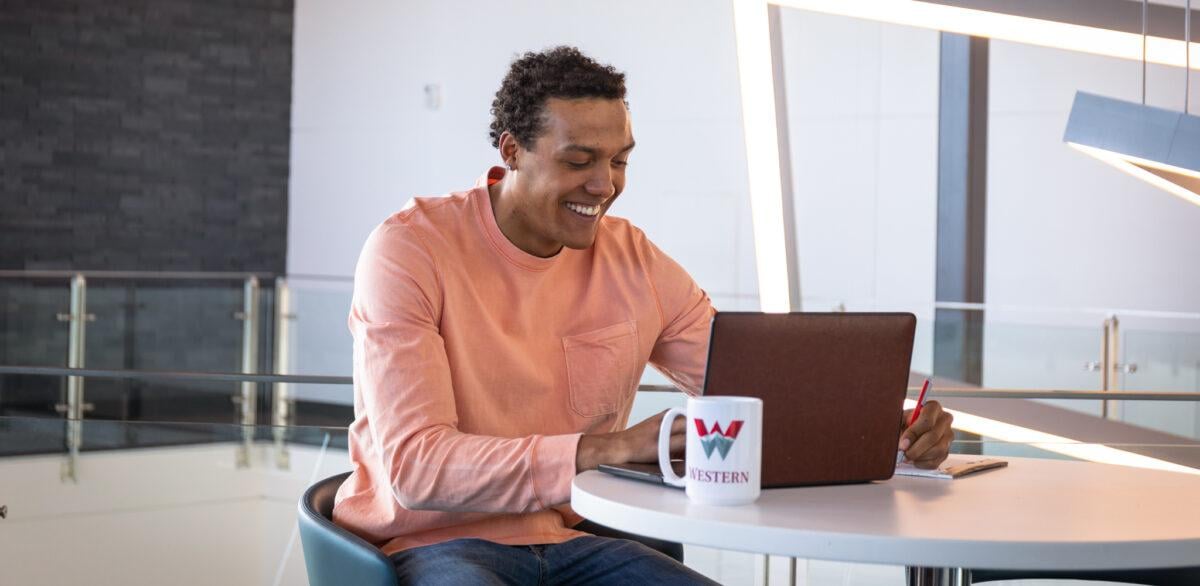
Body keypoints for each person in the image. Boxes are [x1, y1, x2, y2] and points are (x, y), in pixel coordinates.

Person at [332, 46, 955, 585]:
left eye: (620, 160)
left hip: (572, 543)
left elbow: (757, 388)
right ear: (513, 151)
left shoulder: (632, 259)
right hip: (430, 547)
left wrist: (889, 429)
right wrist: (605, 449)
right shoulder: (410, 251)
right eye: (579, 161)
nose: (604, 185)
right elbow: (416, 468)